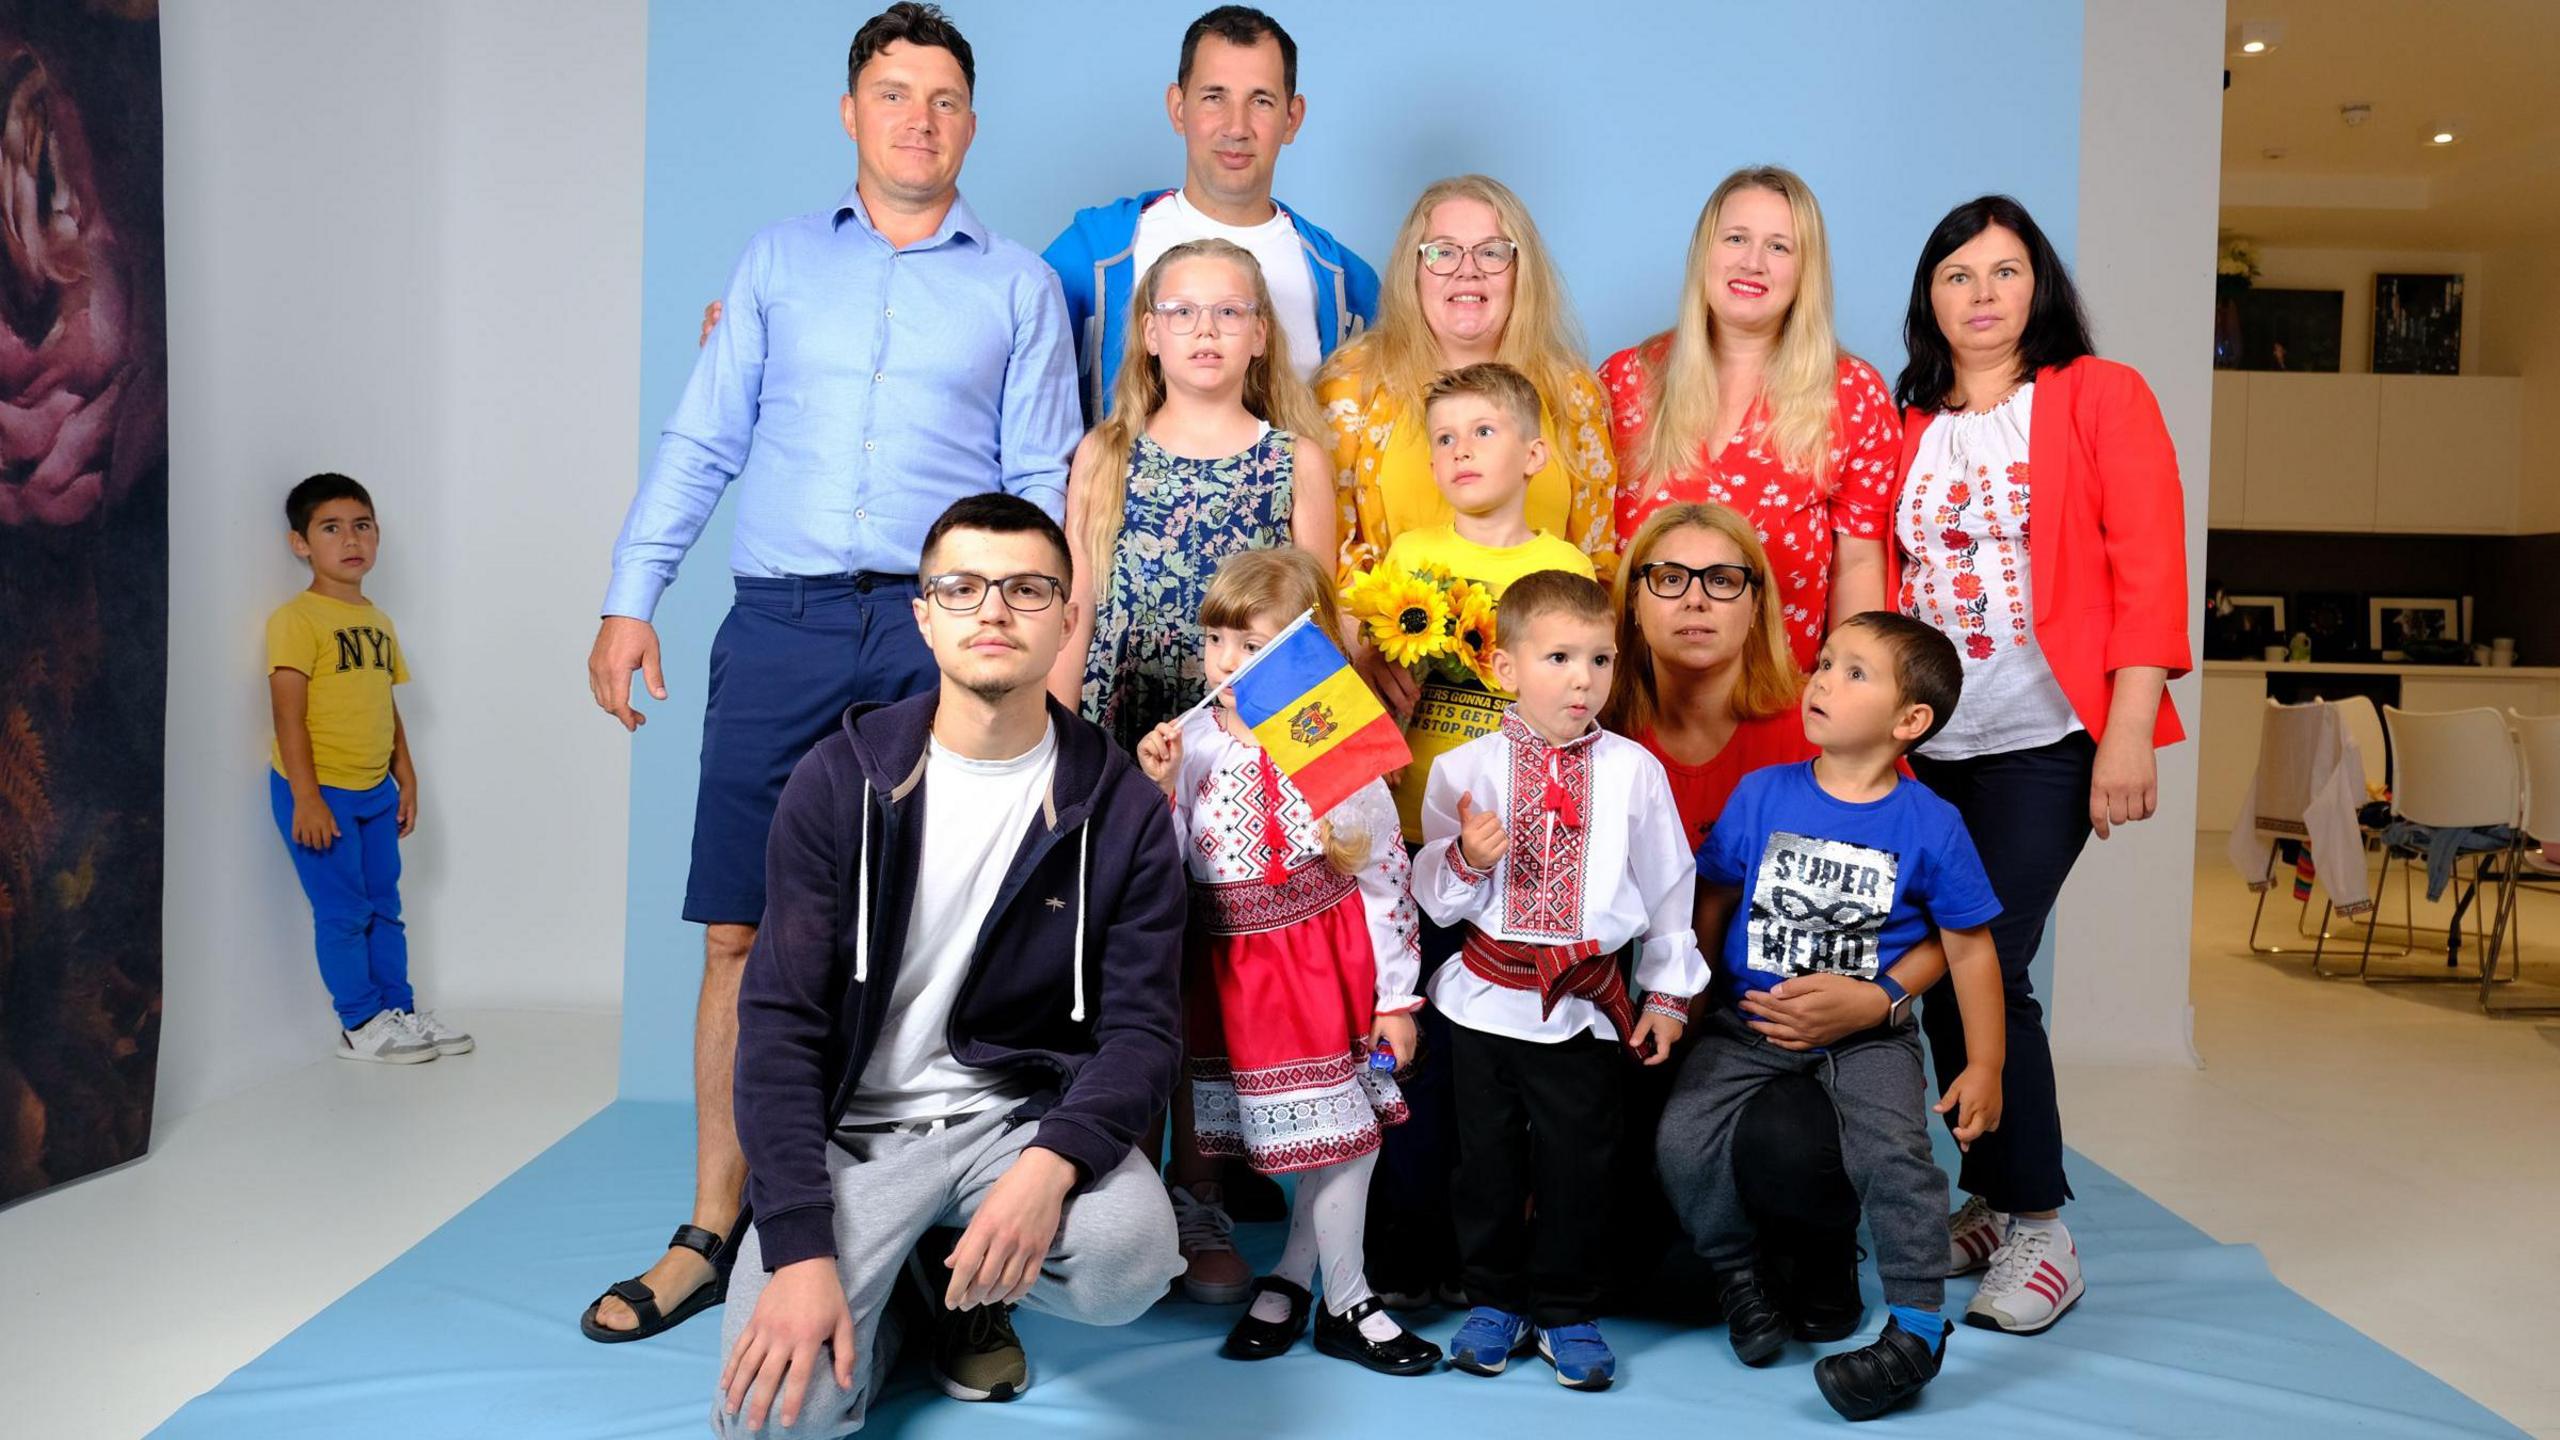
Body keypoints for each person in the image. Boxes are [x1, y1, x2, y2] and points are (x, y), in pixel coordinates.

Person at [582, 3, 1081, 1343]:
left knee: (941, 943)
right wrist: (633, 600)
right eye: (894, 94)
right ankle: (711, 1224)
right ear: (851, 113)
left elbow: (1044, 485)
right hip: (784, 623)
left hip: (945, 632)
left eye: (945, 100)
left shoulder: (1019, 286)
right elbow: (702, 440)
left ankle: (942, 1262)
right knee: (742, 929)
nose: (920, 119)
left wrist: (1051, 654)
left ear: (972, 124)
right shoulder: (775, 265)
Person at [714, 495, 1186, 1438]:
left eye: (1026, 588)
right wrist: (800, 1247)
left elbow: (1143, 1032)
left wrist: (1051, 1163)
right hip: (856, 1134)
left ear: (1066, 619)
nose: (994, 611)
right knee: (780, 1419)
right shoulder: (836, 781)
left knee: (1125, 1259)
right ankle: (910, 1306)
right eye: (961, 588)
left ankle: (972, 1286)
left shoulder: (1123, 808)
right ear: (924, 615)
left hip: (1010, 1121)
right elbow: (778, 1028)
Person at [1886, 194, 2190, 1334]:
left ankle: (2041, 1227)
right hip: (1927, 750)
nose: (1980, 294)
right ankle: (1991, 1191)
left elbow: (2150, 560)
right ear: (1930, 297)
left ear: (2039, 287)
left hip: (2048, 736)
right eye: (1957, 274)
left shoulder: (2096, 397)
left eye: (2003, 272)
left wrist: (2126, 725)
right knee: (1937, 960)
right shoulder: (1907, 417)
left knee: (1984, 958)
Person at [1600, 502, 1952, 1334]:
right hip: (1634, 1000)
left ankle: (1823, 1245)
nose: (1695, 599)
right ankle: (1725, 1258)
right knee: (1622, 1264)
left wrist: (1882, 999)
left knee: (1799, 1138)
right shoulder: (1591, 717)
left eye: (1723, 580)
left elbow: (1949, 915)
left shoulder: (1822, 723)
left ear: (1758, 602)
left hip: (1778, 1009)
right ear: (1632, 602)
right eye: (1667, 577)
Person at [1661, 612, 2006, 1422]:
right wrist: (1690, 999)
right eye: (1823, 664)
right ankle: (1739, 1275)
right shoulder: (1763, 794)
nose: (1820, 681)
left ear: (1908, 721)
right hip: (1747, 1021)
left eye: (1854, 673)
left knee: (1895, 1154)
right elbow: (1712, 900)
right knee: (1681, 1136)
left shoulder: (1931, 824)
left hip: (1871, 1036)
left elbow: (1973, 950)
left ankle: (1917, 1329)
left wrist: (1984, 1064)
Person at [1132, 548, 1439, 1377]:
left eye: (1255, 644)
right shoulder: (1192, 738)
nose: (1229, 662)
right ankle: (1299, 1280)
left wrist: (1394, 1001)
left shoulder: (1326, 731)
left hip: (1321, 962)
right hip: (1233, 973)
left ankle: (1348, 1300)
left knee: (1346, 1136)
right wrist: (1158, 789)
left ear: (1305, 651)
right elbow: (1166, 872)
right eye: (1218, 640)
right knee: (1316, 1141)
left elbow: (1382, 875)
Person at [1412, 570, 1706, 1392]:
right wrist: (1467, 858)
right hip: (1483, 1003)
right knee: (1486, 1164)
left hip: (1585, 1009)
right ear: (1504, 668)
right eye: (1559, 657)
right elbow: (1433, 897)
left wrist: (1670, 995)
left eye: (1601, 659)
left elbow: (1669, 887)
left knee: (1582, 1163)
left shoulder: (1634, 772)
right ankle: (1493, 1300)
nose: (1584, 679)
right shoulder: (1462, 770)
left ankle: (1570, 1308)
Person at [1602, 165, 1900, 674]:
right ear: (1704, 253)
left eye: (1779, 247)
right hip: (1627, 711)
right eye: (1736, 238)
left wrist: (1852, 694)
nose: (1753, 262)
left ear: (1806, 270)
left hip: (1780, 709)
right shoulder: (1623, 380)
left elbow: (1859, 565)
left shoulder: (1852, 395)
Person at [1048, 237, 1335, 750]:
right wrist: (1055, 741)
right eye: (1182, 311)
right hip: (1121, 711)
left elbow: (1313, 627)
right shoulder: (1106, 452)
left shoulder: (1296, 461)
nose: (1206, 328)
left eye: (1228, 311)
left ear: (1260, 334)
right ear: (1151, 333)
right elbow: (1078, 604)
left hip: (1247, 728)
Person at [1043, 5, 1377, 418]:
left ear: (1292, 118)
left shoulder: (1349, 286)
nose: (1236, 127)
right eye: (1214, 97)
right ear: (1178, 108)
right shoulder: (1093, 256)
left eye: (1261, 101)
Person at [1324, 175, 1617, 622]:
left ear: (1522, 270)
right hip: (1397, 662)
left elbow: (1598, 558)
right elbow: (1328, 545)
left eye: (1492, 252)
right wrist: (1365, 639)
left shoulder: (1571, 392)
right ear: (1413, 270)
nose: (1468, 269)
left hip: (1538, 669)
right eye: (1442, 252)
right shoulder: (1354, 384)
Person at [263, 473, 471, 1065]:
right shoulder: (296, 620)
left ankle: (398, 1012)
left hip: (374, 791)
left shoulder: (378, 621)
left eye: (363, 526)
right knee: (344, 911)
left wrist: (406, 774)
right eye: (331, 528)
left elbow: (385, 702)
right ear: (300, 543)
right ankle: (359, 1023)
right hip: (320, 792)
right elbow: (287, 717)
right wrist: (306, 797)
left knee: (386, 905)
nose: (351, 539)